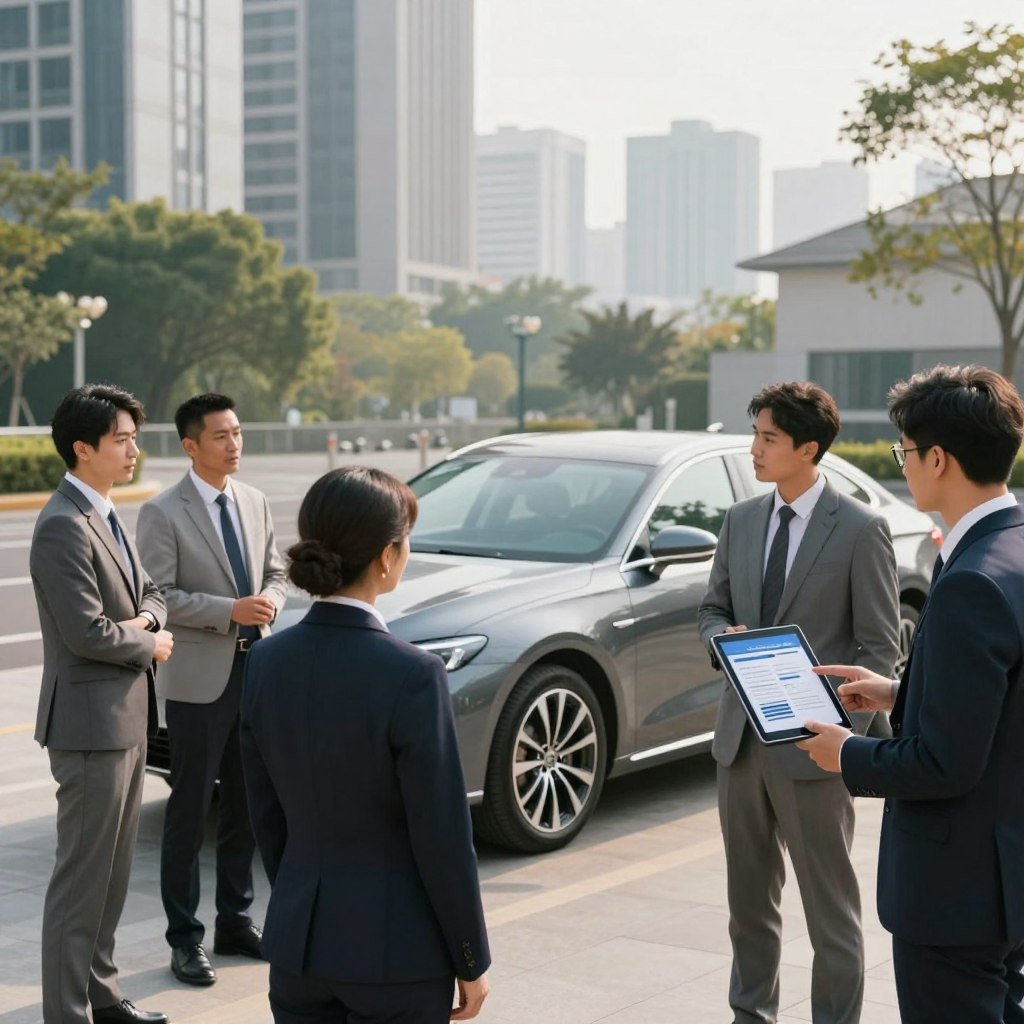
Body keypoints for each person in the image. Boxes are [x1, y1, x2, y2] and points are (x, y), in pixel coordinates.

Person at [797, 365, 1024, 1024]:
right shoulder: (1009, 546)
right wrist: (901, 693)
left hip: (957, 899)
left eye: (906, 452)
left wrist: (848, 756)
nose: (906, 466)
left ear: (938, 458)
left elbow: (944, 764)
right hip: (1004, 881)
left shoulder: (969, 582)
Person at [240, 466, 491, 1023]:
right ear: (385, 556)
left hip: (299, 947)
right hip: (397, 956)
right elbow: (442, 835)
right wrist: (471, 959)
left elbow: (267, 813)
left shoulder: (266, 660)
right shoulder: (413, 674)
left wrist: (301, 906)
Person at [698, 381, 899, 1024]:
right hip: (739, 747)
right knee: (747, 908)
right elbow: (713, 608)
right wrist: (718, 638)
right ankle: (749, 1016)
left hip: (816, 751)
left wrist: (846, 744)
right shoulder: (741, 518)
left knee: (830, 913)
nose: (753, 448)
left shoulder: (862, 529)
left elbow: (879, 648)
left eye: (768, 438)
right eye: (754, 433)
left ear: (808, 448)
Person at [31, 384, 174, 1024]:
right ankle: (67, 1014)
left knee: (113, 878)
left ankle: (105, 997)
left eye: (133, 438)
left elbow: (153, 595)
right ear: (83, 448)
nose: (133, 450)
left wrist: (146, 619)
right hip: (89, 727)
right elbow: (86, 631)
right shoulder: (62, 524)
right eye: (121, 440)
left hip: (125, 719)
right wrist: (150, 638)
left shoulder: (108, 511)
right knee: (80, 885)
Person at [136, 393, 287, 985]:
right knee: (189, 809)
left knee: (247, 806)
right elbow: (159, 596)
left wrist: (270, 601)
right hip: (200, 682)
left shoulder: (254, 500)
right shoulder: (162, 512)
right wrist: (231, 610)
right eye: (221, 436)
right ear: (190, 446)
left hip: (257, 673)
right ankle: (184, 939)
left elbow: (275, 571)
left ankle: (235, 920)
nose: (235, 444)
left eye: (238, 432)